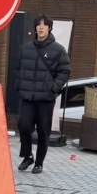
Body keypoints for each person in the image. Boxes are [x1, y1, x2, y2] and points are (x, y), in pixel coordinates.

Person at [16, 15, 70, 174]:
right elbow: (18, 68)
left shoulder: (58, 50)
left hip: (45, 99)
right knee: (24, 126)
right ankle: (27, 156)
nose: (41, 28)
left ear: (49, 28)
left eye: (44, 25)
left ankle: (39, 162)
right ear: (34, 28)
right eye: (38, 25)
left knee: (42, 131)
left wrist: (53, 88)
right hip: (28, 96)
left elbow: (65, 71)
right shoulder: (26, 48)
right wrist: (19, 85)